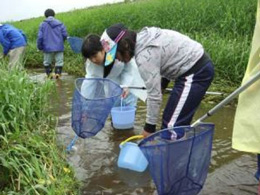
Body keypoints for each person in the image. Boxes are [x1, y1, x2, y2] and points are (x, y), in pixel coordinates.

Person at [100, 23, 215, 137]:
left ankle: (171, 154)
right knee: (170, 121)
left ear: (124, 45)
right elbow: (167, 58)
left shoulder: (144, 57)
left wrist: (149, 129)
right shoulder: (144, 37)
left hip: (195, 71)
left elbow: (154, 96)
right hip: (191, 68)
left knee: (171, 128)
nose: (117, 59)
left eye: (116, 55)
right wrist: (162, 85)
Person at [81, 34, 147, 107]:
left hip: (128, 88)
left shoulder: (117, 53)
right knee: (114, 112)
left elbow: (129, 69)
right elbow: (89, 84)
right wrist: (85, 106)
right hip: (111, 93)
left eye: (95, 56)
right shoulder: (91, 65)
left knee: (128, 111)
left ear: (102, 50)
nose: (93, 60)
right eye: (90, 58)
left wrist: (126, 85)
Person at [37, 8, 68, 79]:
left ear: (45, 15)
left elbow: (40, 37)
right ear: (54, 15)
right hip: (59, 46)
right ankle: (58, 76)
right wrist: (60, 41)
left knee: (47, 62)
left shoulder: (42, 25)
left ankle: (49, 76)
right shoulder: (60, 23)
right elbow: (65, 35)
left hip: (47, 47)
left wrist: (39, 46)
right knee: (59, 62)